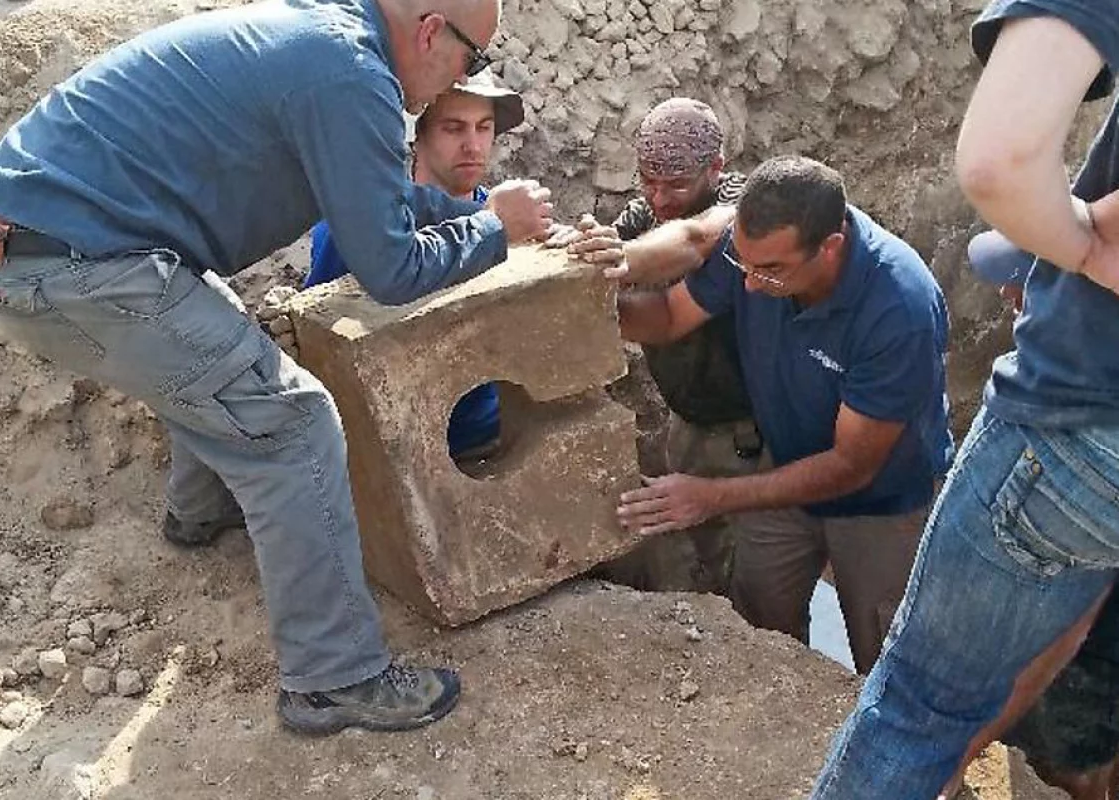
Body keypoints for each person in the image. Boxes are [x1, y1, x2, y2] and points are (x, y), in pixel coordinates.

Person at [0, 0, 554, 737]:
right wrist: (493, 229)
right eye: (472, 58)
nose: (465, 78)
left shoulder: (323, 40)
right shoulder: (353, 75)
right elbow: (393, 269)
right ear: (431, 30)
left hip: (41, 248)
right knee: (292, 423)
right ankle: (334, 678)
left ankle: (199, 512)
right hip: (70, 266)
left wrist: (469, 218)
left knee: (212, 339)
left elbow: (381, 207)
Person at [809, 0, 1119, 795]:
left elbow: (1000, 162)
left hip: (1081, 425)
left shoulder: (894, 304)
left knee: (918, 708)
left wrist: (1080, 246)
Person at [610, 155, 954, 675]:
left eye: (770, 270)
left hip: (880, 503)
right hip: (786, 466)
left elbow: (850, 468)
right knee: (760, 622)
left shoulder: (897, 307)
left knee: (885, 650)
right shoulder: (753, 254)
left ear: (831, 246)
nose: (748, 285)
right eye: (743, 264)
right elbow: (671, 316)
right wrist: (592, 301)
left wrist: (710, 496)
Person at [551, 97, 759, 594]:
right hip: (687, 426)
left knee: (761, 578)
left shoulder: (746, 205)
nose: (660, 198)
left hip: (752, 440)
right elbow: (610, 252)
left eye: (677, 184)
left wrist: (623, 257)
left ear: (716, 168)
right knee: (709, 560)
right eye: (648, 180)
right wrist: (574, 247)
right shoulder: (645, 212)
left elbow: (693, 239)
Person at [957, 231, 1119, 800]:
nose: (1005, 292)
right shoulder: (1068, 366)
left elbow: (1072, 623)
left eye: (1024, 279)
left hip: (1089, 648)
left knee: (1069, 763)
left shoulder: (1094, 422)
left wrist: (967, 745)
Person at [304, 69, 524, 462]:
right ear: (415, 136)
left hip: (489, 436)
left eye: (484, 128)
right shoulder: (356, 227)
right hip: (386, 446)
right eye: (454, 128)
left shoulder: (513, 222)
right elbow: (315, 338)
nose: (473, 145)